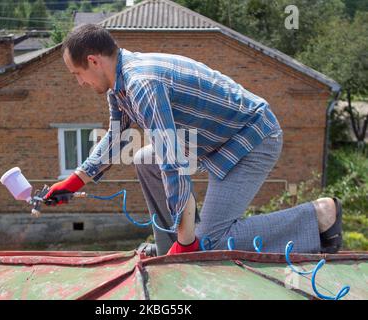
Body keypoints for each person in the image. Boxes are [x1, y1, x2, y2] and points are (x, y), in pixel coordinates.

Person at [44, 24, 343, 256]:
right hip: (215, 140)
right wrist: (75, 181)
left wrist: (190, 243)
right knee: (142, 159)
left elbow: (172, 163)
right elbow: (118, 137)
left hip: (252, 138)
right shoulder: (119, 87)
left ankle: (317, 217)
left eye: (77, 74)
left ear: (94, 61)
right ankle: (172, 245)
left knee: (209, 244)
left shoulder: (142, 84)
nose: (79, 83)